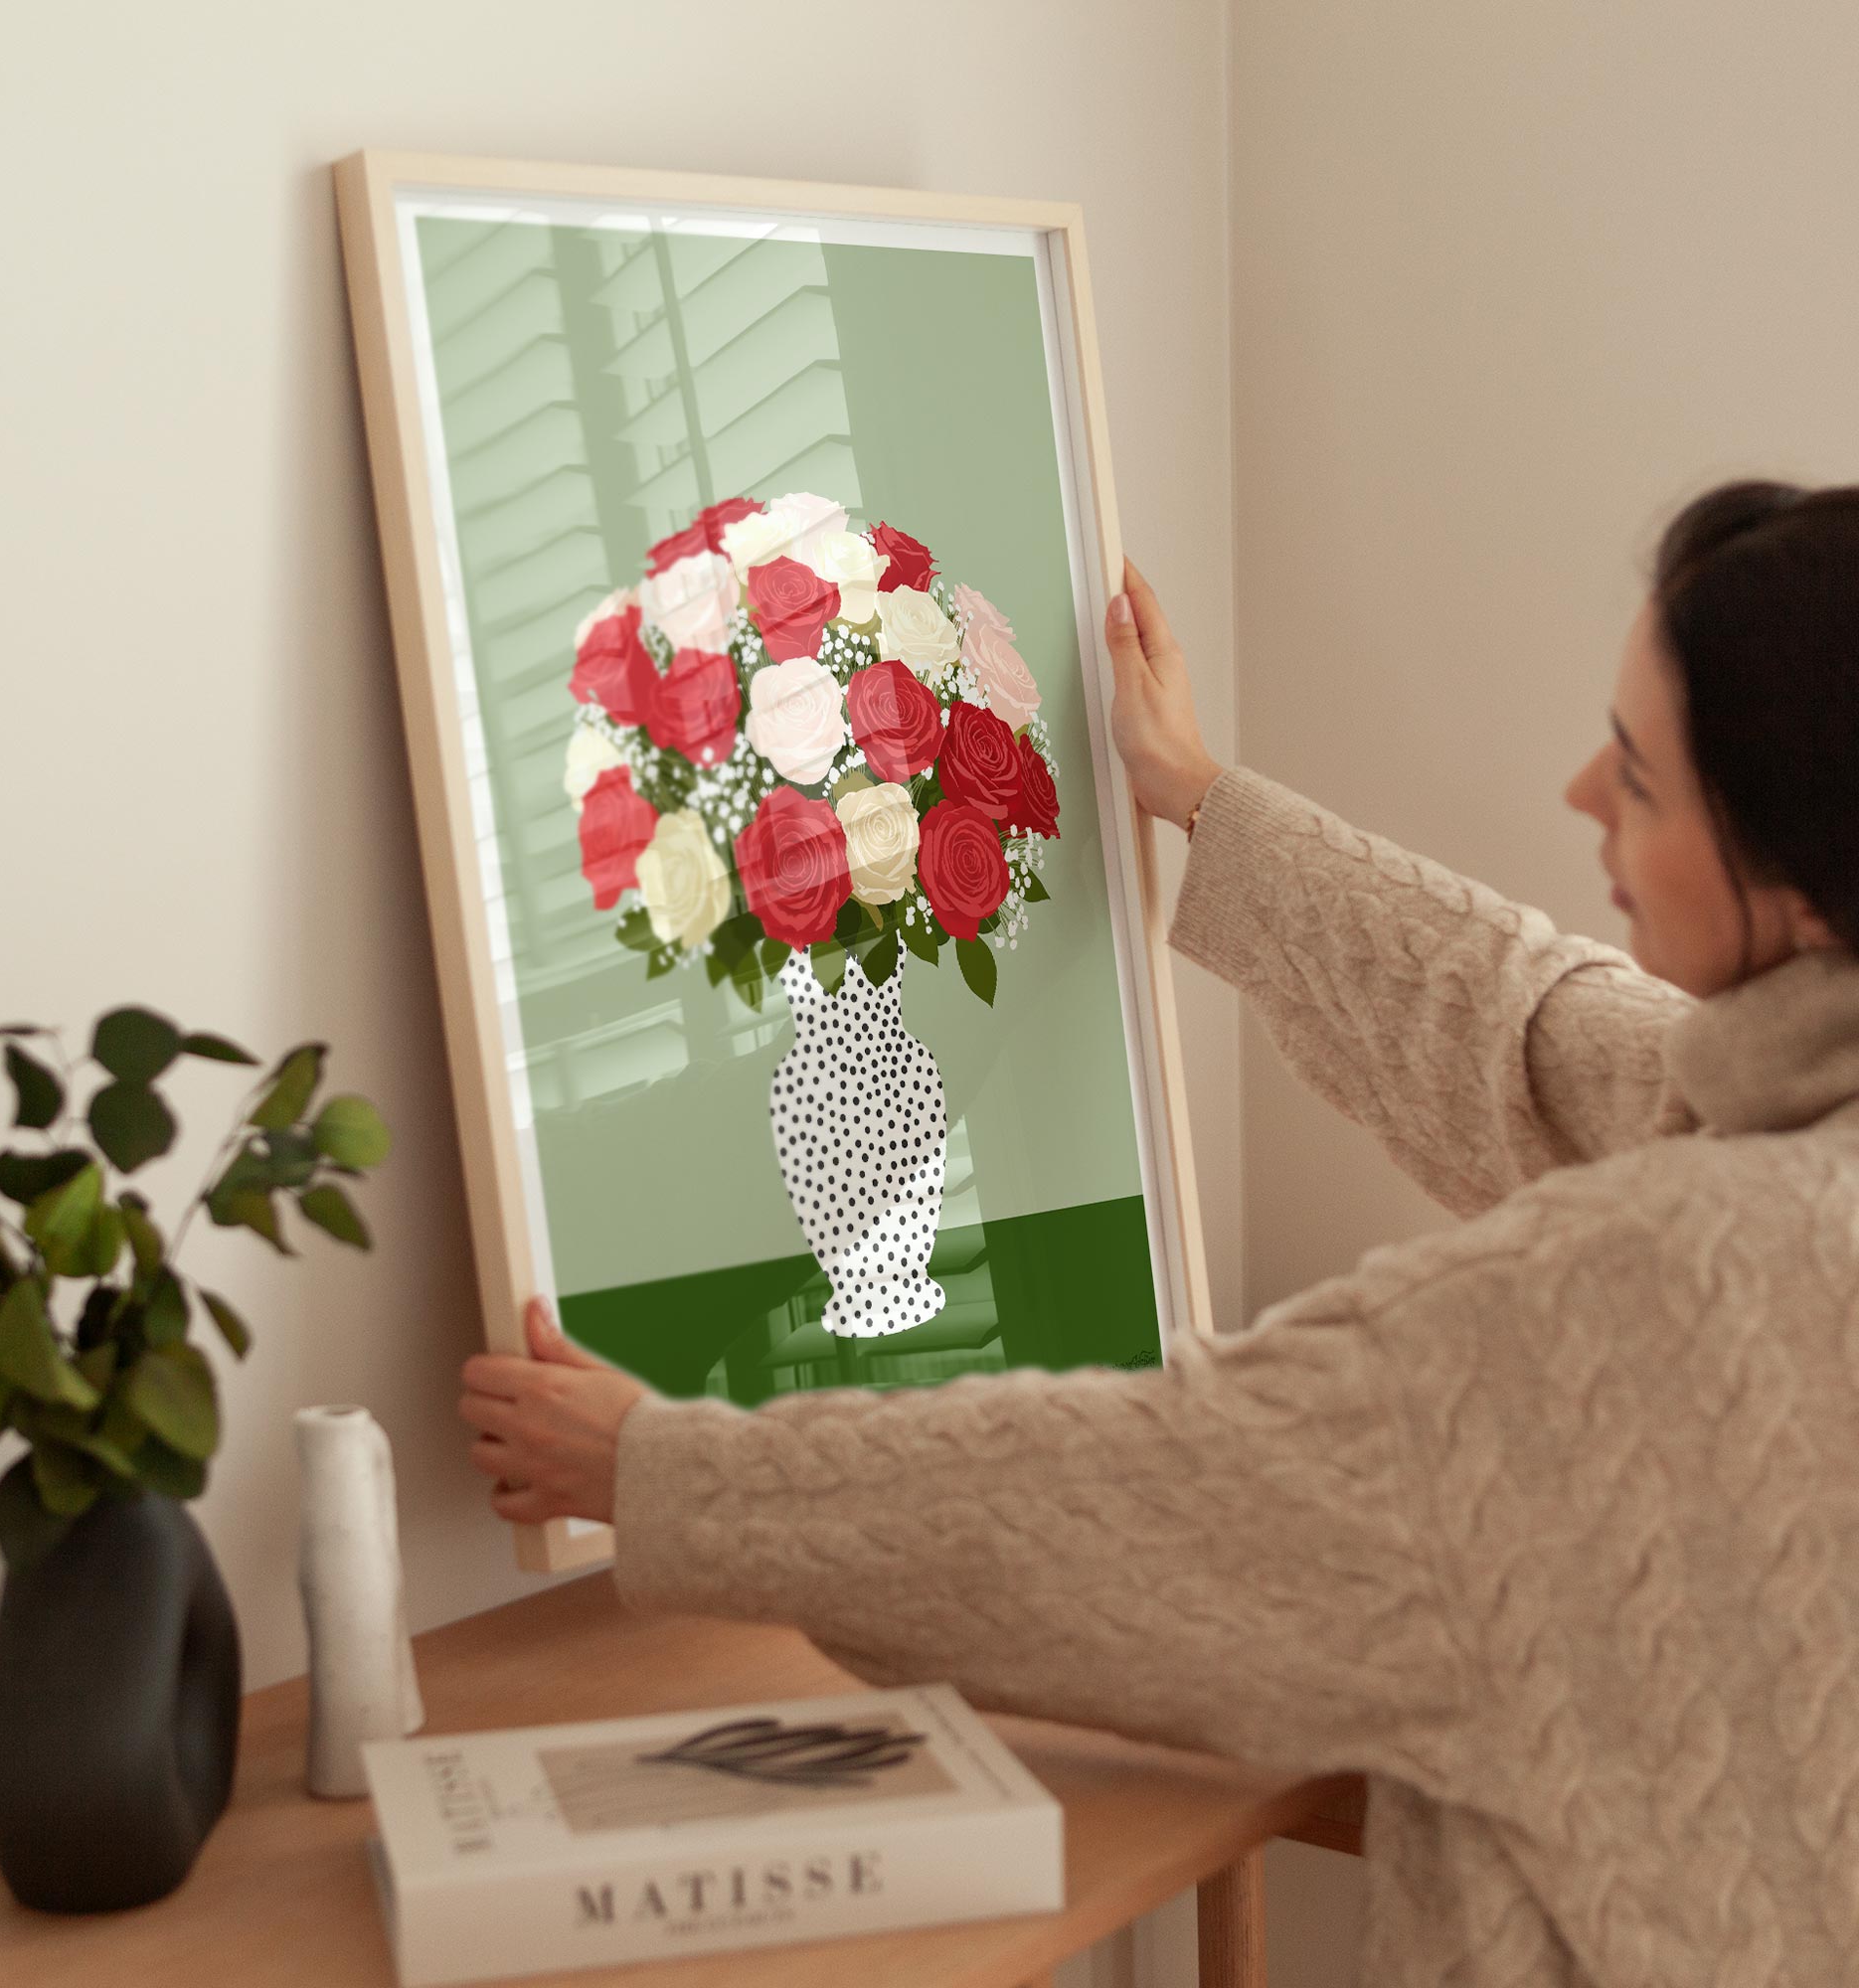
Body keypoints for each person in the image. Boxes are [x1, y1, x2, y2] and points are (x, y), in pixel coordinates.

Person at [457, 479, 1859, 1984]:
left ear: (1797, 882)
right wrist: (1201, 797)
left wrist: (656, 1471)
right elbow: (1534, 1031)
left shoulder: (1639, 1299)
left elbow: (1144, 1496)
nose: (1584, 792)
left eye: (1641, 780)